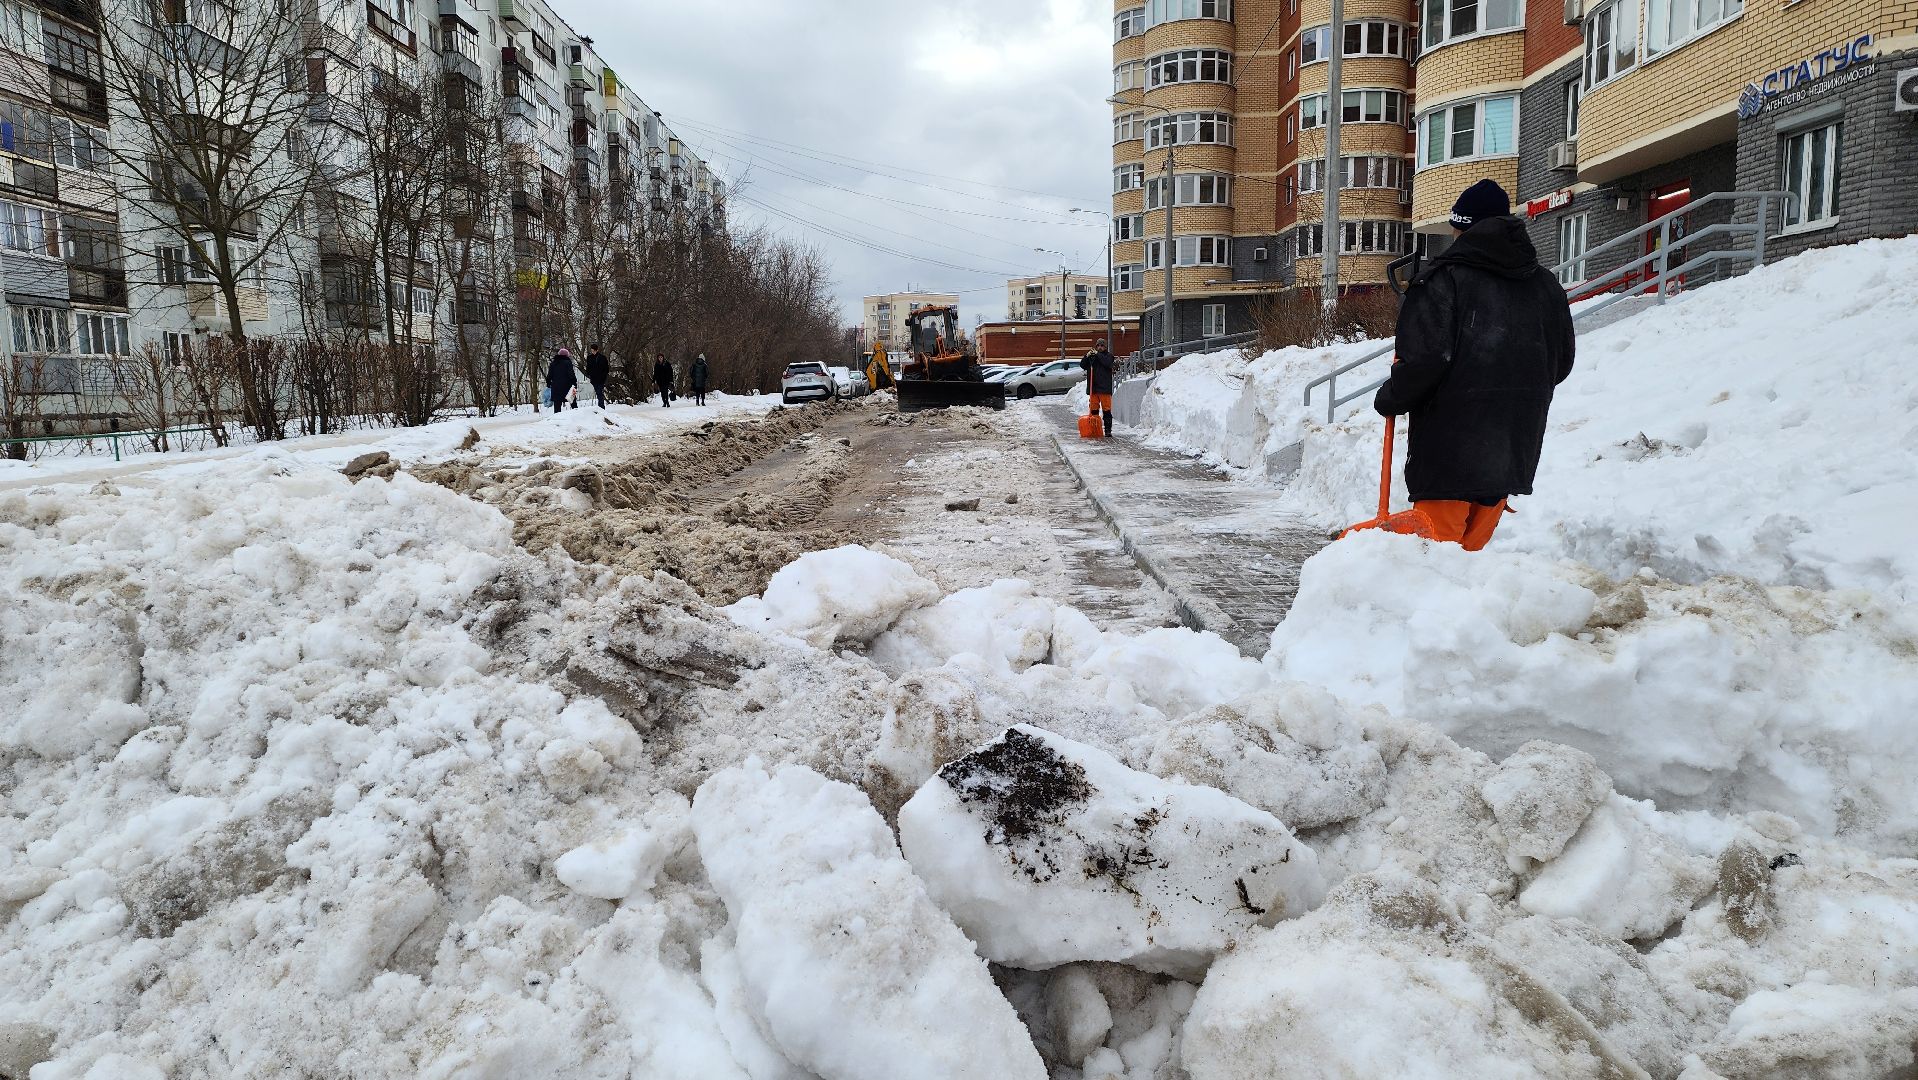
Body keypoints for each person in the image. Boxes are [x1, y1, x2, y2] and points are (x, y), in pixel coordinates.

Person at [1373, 179, 1576, 551]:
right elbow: (1560, 363)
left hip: (1449, 454)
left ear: (1463, 228)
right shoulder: (1547, 287)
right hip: (1511, 449)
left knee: (1436, 561)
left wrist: (1391, 397)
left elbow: (1426, 360)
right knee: (1467, 565)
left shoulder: (1443, 280)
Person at [1080, 338, 1116, 436]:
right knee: (1094, 410)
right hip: (1094, 388)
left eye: (1102, 346)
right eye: (1098, 346)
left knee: (1106, 410)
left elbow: (1107, 363)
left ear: (1105, 347)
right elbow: (1082, 365)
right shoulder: (1092, 358)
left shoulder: (1109, 356)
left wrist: (1097, 354)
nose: (1100, 347)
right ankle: (1095, 429)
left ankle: (1108, 431)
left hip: (1104, 389)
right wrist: (1086, 356)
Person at [546, 348, 578, 415]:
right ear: (566, 355)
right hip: (567, 386)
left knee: (557, 405)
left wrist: (548, 383)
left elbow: (549, 375)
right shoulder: (568, 363)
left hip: (556, 387)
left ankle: (557, 420)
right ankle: (576, 417)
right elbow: (571, 374)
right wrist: (574, 383)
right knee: (573, 402)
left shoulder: (553, 363)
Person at [584, 342, 611, 409]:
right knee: (598, 392)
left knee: (599, 392)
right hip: (593, 378)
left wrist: (604, 376)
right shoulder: (589, 358)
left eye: (594, 350)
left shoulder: (602, 358)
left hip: (601, 378)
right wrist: (589, 374)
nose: (592, 352)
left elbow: (606, 368)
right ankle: (601, 407)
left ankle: (601, 407)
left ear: (597, 350)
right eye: (592, 350)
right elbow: (588, 367)